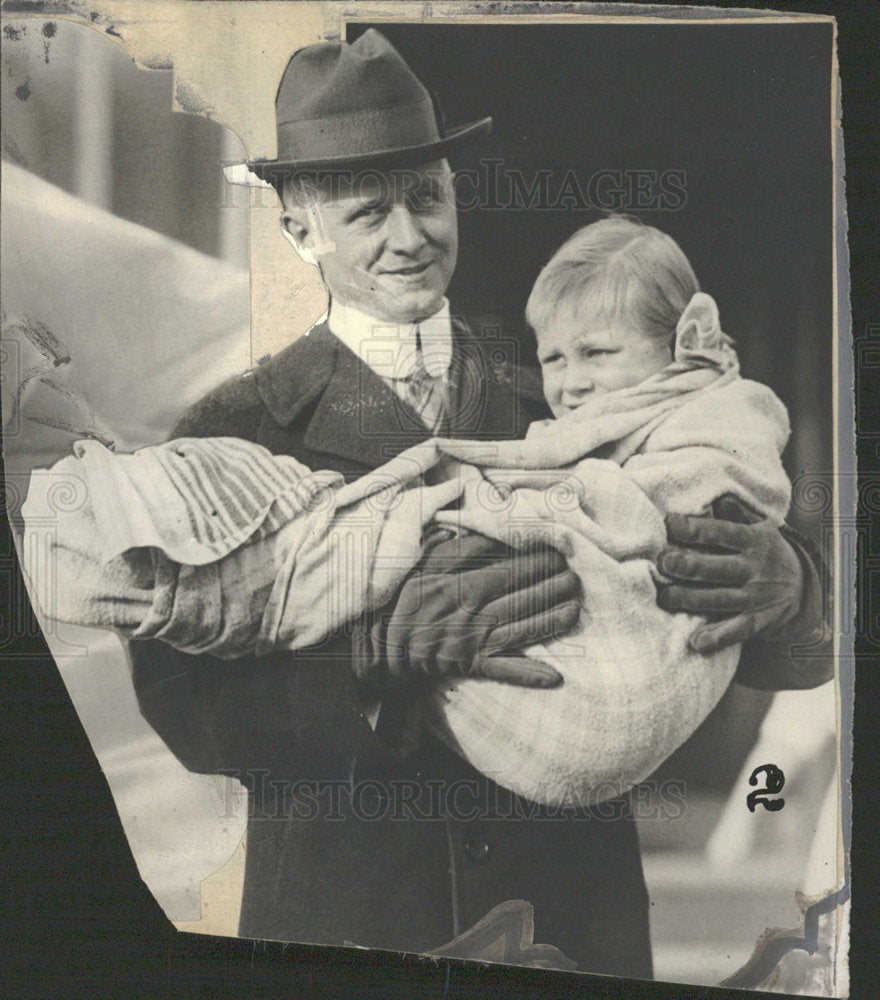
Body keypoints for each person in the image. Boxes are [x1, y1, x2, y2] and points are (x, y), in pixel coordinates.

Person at [125, 30, 830, 976]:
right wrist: (365, 661)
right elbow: (178, 701)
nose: (409, 237)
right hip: (357, 918)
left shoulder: (573, 387)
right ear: (300, 230)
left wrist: (795, 581)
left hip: (576, 917)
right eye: (368, 212)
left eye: (427, 196)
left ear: (457, 191)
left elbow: (742, 551)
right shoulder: (233, 433)